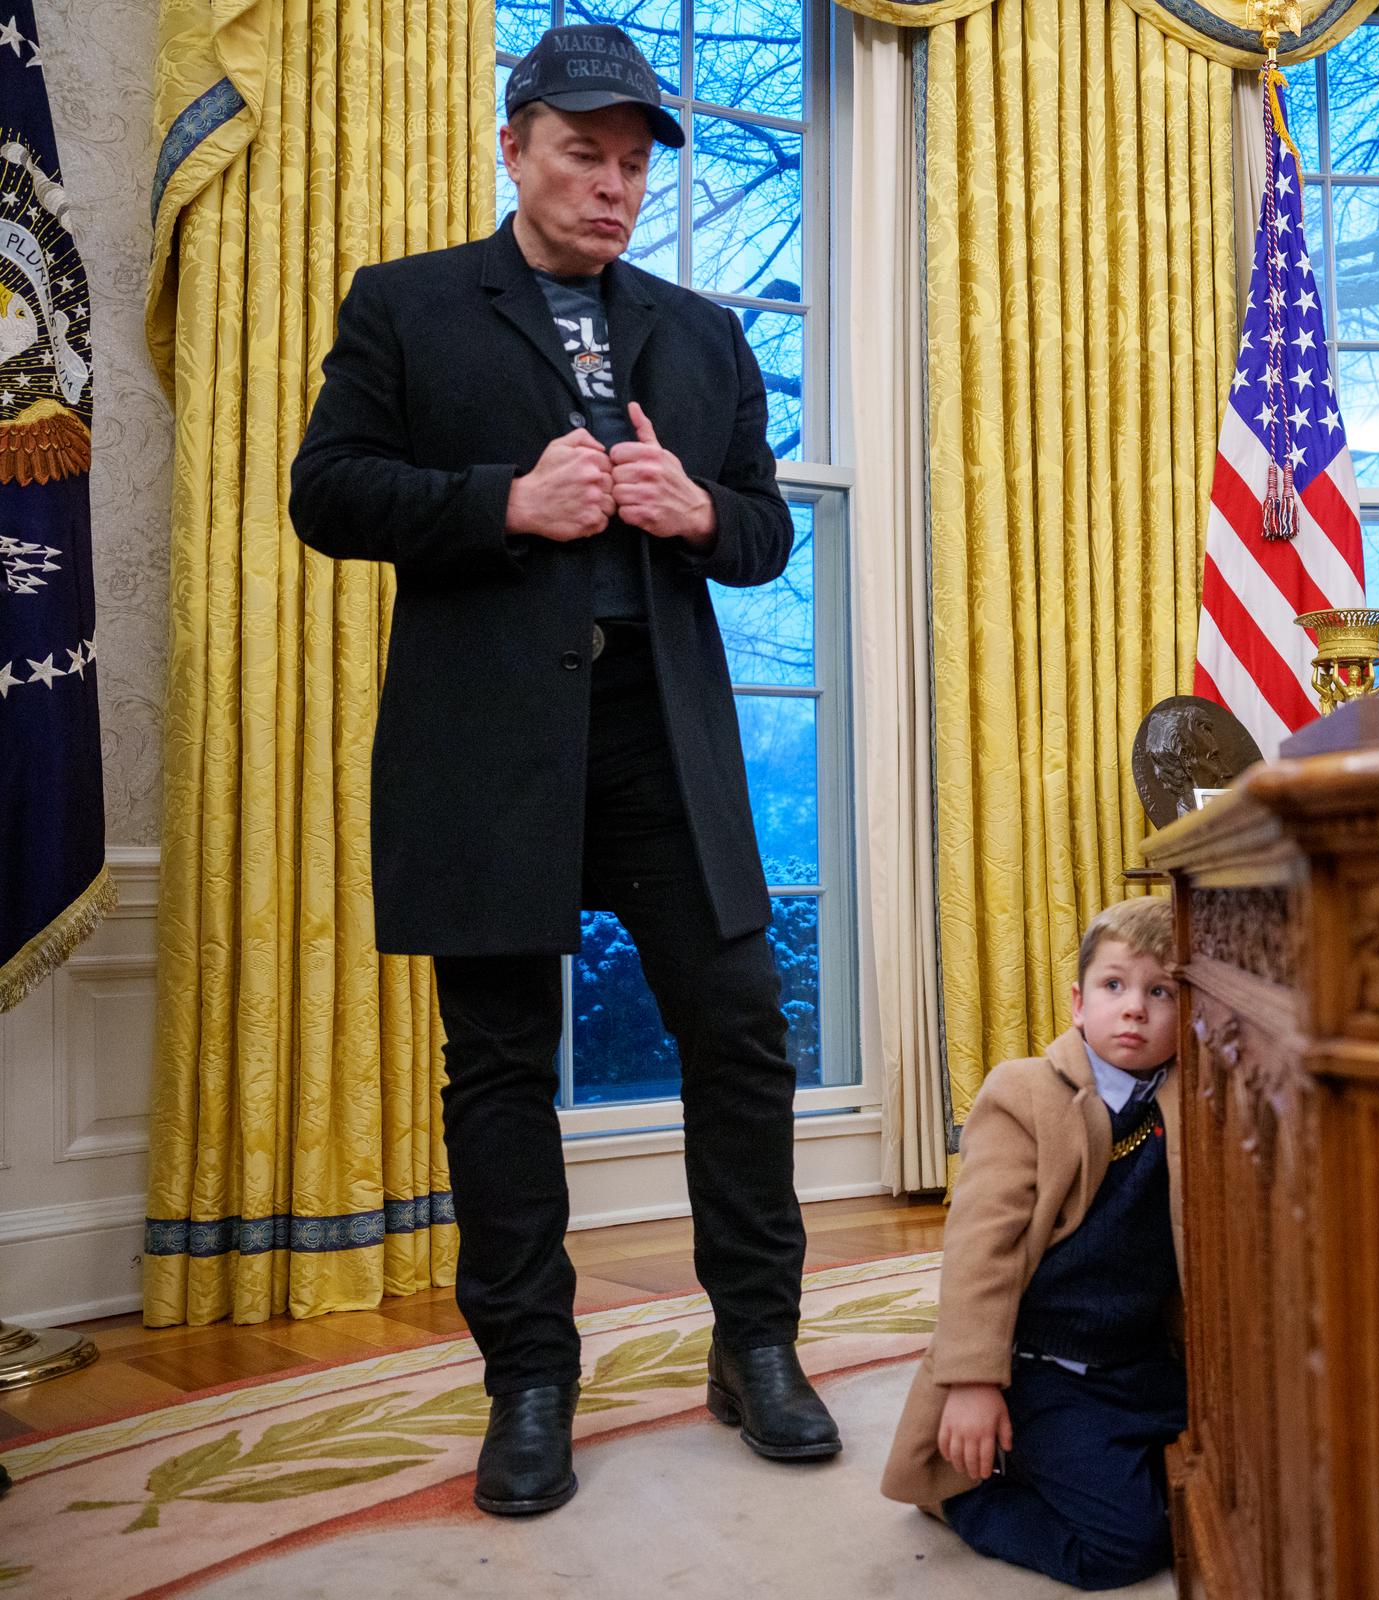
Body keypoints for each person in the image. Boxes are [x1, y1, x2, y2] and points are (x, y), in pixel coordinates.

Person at [286, 23, 837, 1518]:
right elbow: (323, 492)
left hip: (666, 739)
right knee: (503, 1068)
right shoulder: (405, 307)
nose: (611, 187)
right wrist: (502, 502)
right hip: (488, 745)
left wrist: (692, 513)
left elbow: (766, 530)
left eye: (634, 163)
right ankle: (529, 1383)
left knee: (738, 1036)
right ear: (516, 144)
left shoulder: (701, 336)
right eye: (583, 154)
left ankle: (759, 1346)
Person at [881, 897, 1187, 1591]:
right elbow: (978, 1252)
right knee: (1127, 1545)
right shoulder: (1025, 1094)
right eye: (1115, 986)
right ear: (1079, 1003)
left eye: (1159, 991)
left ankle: (1101, 1459)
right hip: (1043, 1368)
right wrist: (973, 1379)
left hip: (1137, 1361)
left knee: (1243, 1474)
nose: (1134, 1008)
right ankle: (970, 1497)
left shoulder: (1186, 1100)